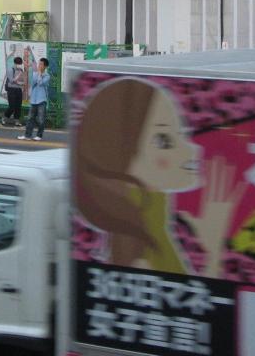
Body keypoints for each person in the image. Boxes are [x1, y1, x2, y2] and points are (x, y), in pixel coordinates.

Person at [72, 77, 245, 278]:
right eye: (164, 140)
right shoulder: (142, 256)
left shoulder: (152, 231)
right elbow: (187, 295)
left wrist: (213, 248)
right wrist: (214, 253)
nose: (192, 150)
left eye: (180, 134)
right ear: (120, 155)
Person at [19, 56, 51, 141]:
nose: (39, 66)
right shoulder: (35, 74)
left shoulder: (47, 76)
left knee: (41, 119)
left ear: (45, 66)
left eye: (41, 64)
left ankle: (39, 135)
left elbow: (40, 83)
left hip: (41, 100)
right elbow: (32, 83)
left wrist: (39, 74)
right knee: (30, 118)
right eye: (39, 64)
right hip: (33, 99)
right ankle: (27, 135)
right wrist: (34, 73)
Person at [2, 54, 25, 127]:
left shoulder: (21, 70)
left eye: (21, 64)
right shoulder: (10, 69)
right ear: (15, 63)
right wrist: (18, 78)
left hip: (19, 89)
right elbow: (11, 80)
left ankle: (17, 121)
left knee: (18, 106)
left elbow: (23, 80)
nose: (20, 65)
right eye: (19, 64)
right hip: (11, 90)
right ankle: (4, 118)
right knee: (12, 106)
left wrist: (22, 83)